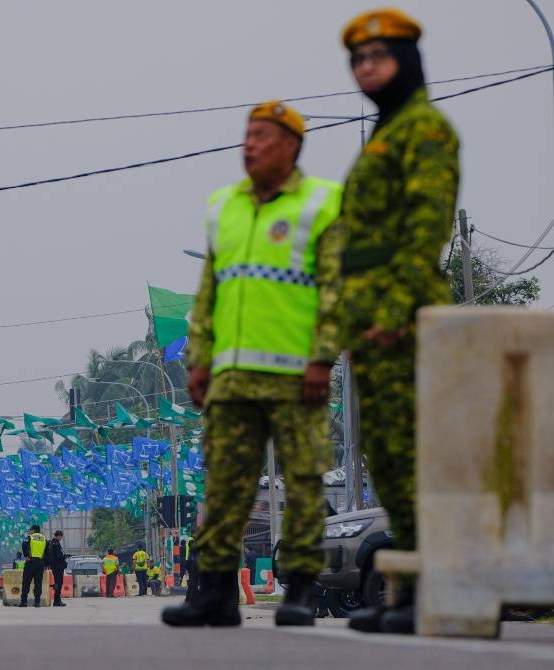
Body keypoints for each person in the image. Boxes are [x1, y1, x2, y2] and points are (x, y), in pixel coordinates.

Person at [162, 100, 342, 629]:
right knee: (224, 485)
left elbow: (335, 289)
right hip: (231, 378)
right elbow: (211, 290)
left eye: (262, 135)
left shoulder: (322, 203)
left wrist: (321, 358)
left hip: (296, 375)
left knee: (304, 483)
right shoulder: (224, 206)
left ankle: (303, 590)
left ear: (291, 145)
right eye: (247, 134)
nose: (250, 144)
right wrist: (198, 363)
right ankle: (213, 592)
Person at [337, 8, 460, 636]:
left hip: (403, 320)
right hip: (370, 329)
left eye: (378, 58)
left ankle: (431, 592)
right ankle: (410, 594)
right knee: (390, 462)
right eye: (358, 60)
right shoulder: (381, 138)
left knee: (415, 458)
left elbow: (424, 232)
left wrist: (388, 315)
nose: (366, 69)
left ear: (406, 62)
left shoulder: (425, 131)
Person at [19, 524, 46, 607]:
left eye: (30, 530)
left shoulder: (30, 537)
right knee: (38, 583)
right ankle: (37, 602)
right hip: (40, 563)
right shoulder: (44, 539)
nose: (30, 531)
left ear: (33, 530)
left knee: (26, 582)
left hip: (31, 562)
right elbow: (47, 551)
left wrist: (26, 555)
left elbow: (24, 544)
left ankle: (24, 602)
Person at [44, 530, 68, 607]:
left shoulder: (50, 543)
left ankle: (57, 600)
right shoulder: (56, 544)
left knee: (57, 583)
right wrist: (65, 556)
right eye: (60, 536)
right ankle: (57, 601)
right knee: (59, 583)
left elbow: (47, 554)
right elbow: (58, 556)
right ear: (58, 536)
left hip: (53, 566)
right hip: (58, 566)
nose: (61, 538)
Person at [183, 528, 199, 603]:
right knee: (193, 581)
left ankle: (191, 598)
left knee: (194, 581)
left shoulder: (193, 540)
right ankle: (189, 598)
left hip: (192, 563)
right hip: (191, 563)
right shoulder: (191, 540)